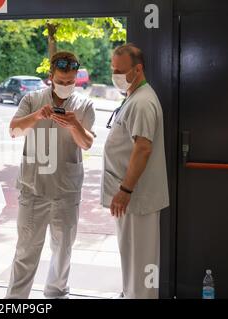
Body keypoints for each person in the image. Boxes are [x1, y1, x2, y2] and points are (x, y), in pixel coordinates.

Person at [6, 51, 95, 299]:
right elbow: (13, 131)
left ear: (76, 78)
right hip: (33, 189)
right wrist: (37, 116)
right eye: (61, 81)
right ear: (51, 77)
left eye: (70, 81)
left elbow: (87, 144)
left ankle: (56, 293)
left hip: (66, 191)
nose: (66, 86)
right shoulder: (32, 99)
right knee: (26, 251)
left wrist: (75, 124)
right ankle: (15, 300)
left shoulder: (84, 105)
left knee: (63, 249)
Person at [102, 43, 169, 299]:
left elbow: (143, 149)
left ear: (138, 69)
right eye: (113, 69)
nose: (115, 75)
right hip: (130, 199)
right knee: (131, 258)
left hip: (136, 197)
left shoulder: (142, 102)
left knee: (141, 263)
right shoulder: (133, 97)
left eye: (120, 70)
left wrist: (125, 190)